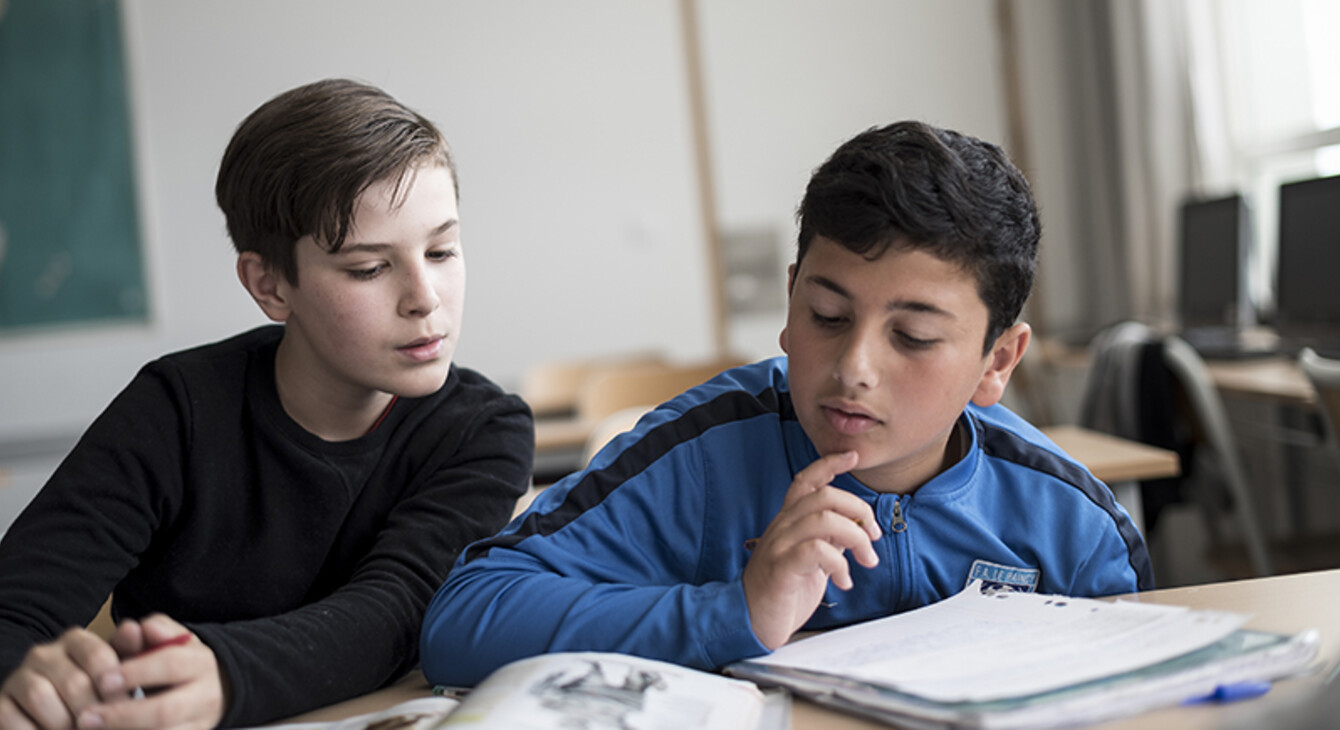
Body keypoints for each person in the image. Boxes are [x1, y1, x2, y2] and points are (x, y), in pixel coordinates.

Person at [419, 120, 1153, 687]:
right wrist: (735, 610)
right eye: (827, 317)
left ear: (997, 361)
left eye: (915, 336)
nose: (854, 368)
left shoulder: (1072, 521)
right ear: (792, 299)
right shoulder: (701, 458)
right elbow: (464, 618)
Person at [0, 78, 533, 728]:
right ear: (269, 285)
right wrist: (38, 680)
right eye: (369, 269)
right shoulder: (176, 409)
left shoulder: (483, 430)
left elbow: (399, 608)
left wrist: (223, 676)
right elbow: (17, 608)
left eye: (442, 250)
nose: (426, 297)